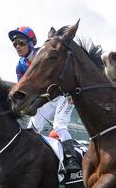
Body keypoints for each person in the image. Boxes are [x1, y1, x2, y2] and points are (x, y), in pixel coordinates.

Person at [8, 26, 81, 173]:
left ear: (31, 43)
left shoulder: (44, 52)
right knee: (31, 130)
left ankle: (71, 158)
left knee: (59, 126)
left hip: (63, 96)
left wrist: (73, 93)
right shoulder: (20, 65)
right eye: (15, 44)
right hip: (46, 99)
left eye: (21, 42)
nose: (17, 46)